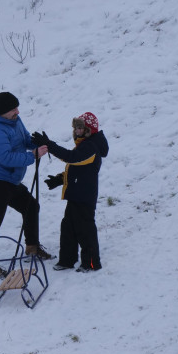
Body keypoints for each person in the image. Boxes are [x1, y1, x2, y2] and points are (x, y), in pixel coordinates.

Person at [0, 91, 52, 278]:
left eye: (17, 107)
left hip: (11, 180)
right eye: (13, 109)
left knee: (31, 207)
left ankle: (32, 247)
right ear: (3, 111)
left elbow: (25, 139)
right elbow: (6, 158)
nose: (17, 112)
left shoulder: (15, 121)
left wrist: (36, 142)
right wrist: (32, 156)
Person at [31, 112, 108, 272]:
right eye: (76, 128)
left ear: (89, 129)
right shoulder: (85, 145)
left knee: (85, 230)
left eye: (81, 128)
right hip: (76, 194)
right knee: (68, 228)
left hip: (84, 197)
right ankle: (67, 260)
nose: (77, 131)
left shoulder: (91, 147)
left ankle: (91, 263)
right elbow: (78, 170)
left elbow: (71, 158)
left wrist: (49, 145)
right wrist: (59, 180)